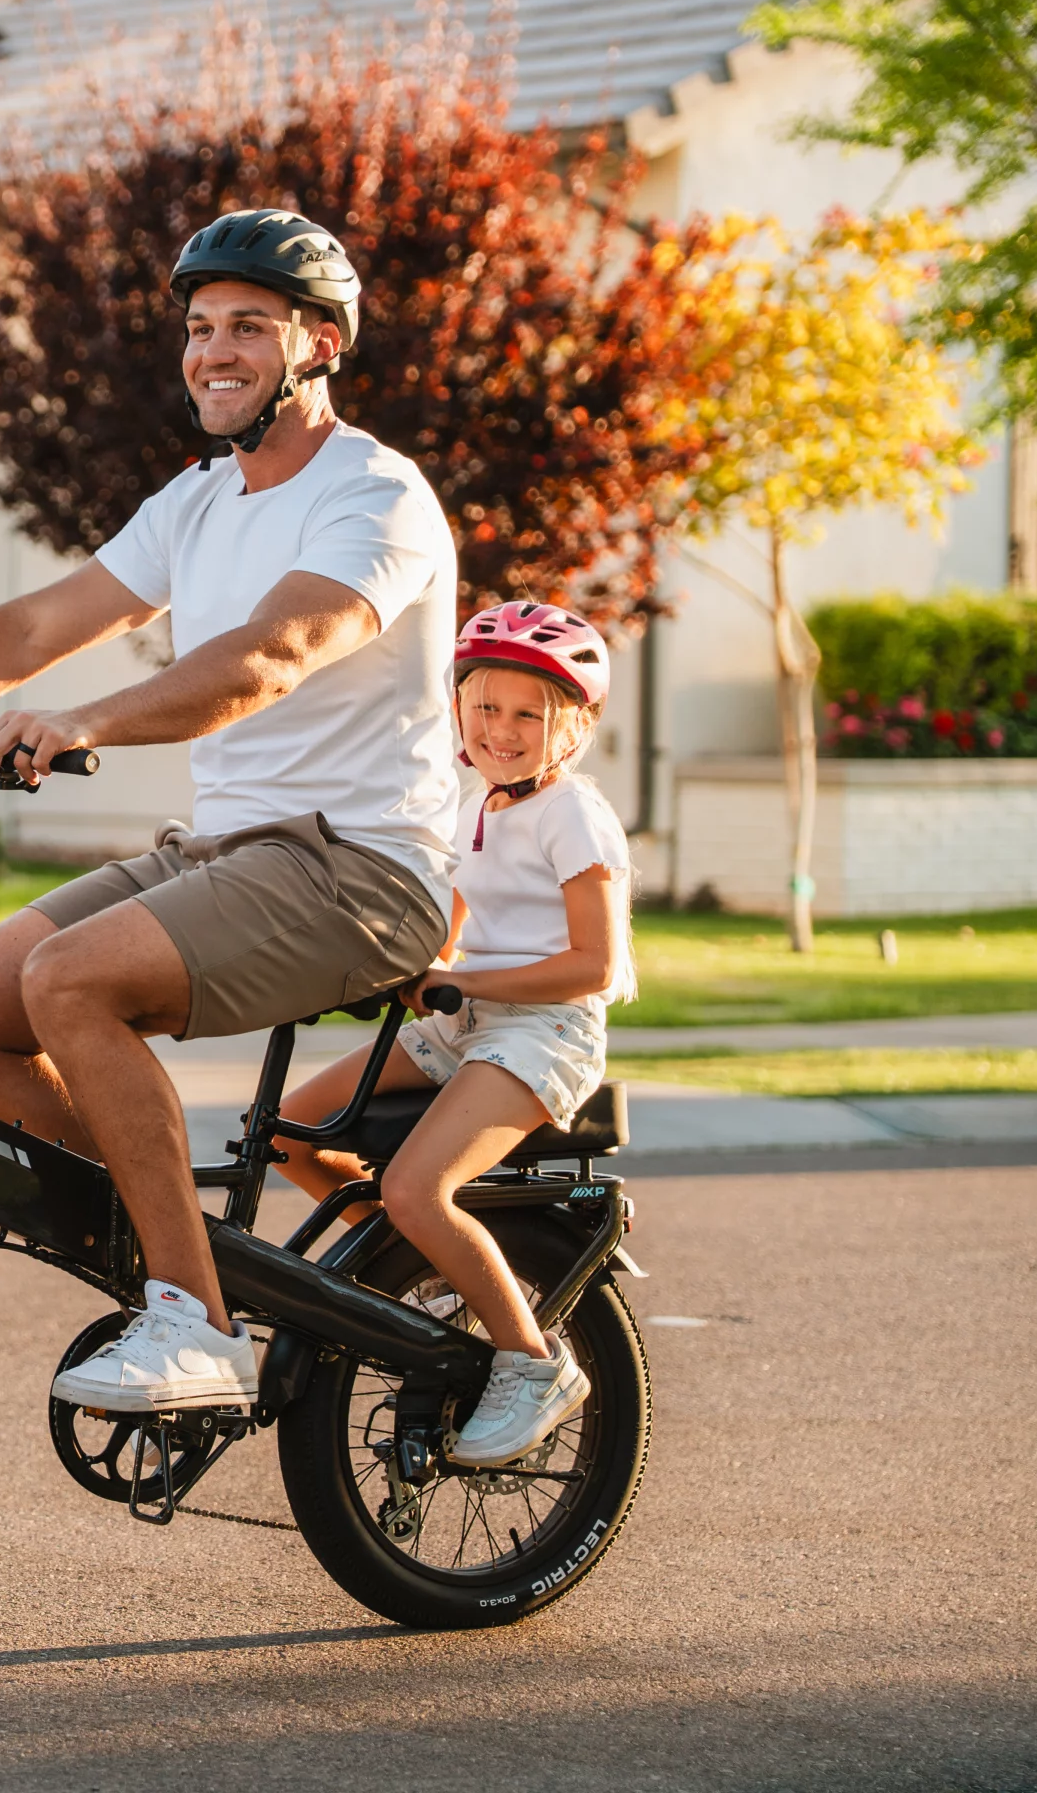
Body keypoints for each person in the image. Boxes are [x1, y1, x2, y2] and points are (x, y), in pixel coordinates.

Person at [0, 208, 461, 1415]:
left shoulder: (374, 495)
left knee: (70, 982)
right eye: (200, 328)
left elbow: (276, 652)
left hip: (362, 868)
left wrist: (87, 722)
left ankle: (197, 1324)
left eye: (250, 326)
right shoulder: (199, 501)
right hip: (231, 852)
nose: (214, 352)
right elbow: (37, 625)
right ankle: (169, 1254)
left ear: (320, 344)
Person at [272, 601, 634, 1465]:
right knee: (288, 1133)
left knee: (415, 1187)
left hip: (544, 1032)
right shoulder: (478, 804)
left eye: (527, 715)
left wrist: (463, 980)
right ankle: (428, 1279)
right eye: (485, 707)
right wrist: (392, 967)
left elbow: (595, 966)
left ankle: (533, 1364)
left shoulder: (573, 815)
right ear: (460, 708)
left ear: (575, 727)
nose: (500, 729)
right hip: (467, 1022)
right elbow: (450, 928)